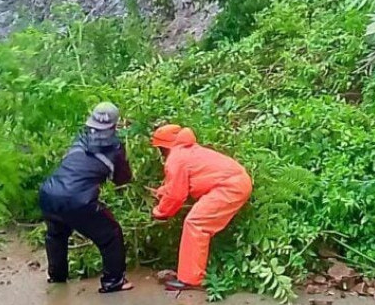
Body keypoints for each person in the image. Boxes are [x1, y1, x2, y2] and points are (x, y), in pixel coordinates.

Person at [39, 102, 134, 293]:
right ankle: (113, 281)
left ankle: (57, 277)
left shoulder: (80, 138)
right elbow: (122, 179)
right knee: (111, 235)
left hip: (49, 193)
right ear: (115, 125)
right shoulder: (115, 147)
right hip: (78, 200)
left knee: (56, 235)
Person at [150, 125, 253, 291]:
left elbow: (176, 195)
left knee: (195, 224)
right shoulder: (189, 151)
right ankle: (192, 274)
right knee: (197, 222)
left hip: (229, 187)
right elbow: (182, 183)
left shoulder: (176, 158)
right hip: (236, 182)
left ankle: (191, 279)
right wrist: (162, 192)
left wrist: (160, 212)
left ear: (164, 147)